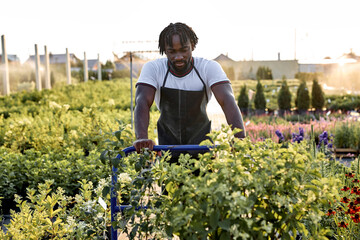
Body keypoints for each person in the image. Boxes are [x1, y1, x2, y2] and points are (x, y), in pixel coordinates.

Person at [133, 22, 246, 153]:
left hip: (202, 148)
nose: (178, 56)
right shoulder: (153, 68)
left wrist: (239, 138)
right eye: (172, 52)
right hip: (167, 148)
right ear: (164, 50)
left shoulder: (208, 67)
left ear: (192, 46)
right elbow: (142, 101)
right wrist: (142, 138)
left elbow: (227, 100)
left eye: (184, 50)